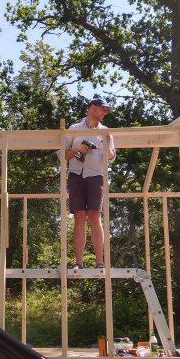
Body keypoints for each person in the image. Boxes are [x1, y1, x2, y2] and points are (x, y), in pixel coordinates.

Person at [63, 98, 116, 269]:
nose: (104, 113)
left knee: (95, 217)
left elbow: (111, 158)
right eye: (102, 109)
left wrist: (107, 145)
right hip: (76, 175)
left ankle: (100, 262)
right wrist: (78, 150)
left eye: (106, 111)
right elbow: (61, 155)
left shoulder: (106, 132)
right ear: (92, 108)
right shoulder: (74, 129)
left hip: (96, 177)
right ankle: (78, 262)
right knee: (79, 217)